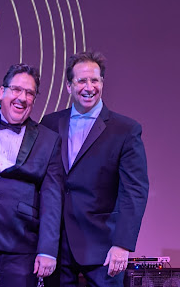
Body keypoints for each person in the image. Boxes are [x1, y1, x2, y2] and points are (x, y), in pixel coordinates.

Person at [41, 51, 149, 287]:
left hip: (103, 246)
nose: (89, 87)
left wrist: (122, 244)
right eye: (82, 80)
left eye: (95, 80)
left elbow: (135, 191)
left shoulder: (125, 130)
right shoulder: (49, 124)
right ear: (69, 86)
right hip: (57, 246)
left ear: (102, 83)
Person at [0, 64, 63, 287]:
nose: (22, 98)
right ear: (2, 91)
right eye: (16, 89)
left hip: (23, 246)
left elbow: (52, 197)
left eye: (30, 93)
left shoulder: (49, 139)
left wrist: (47, 250)